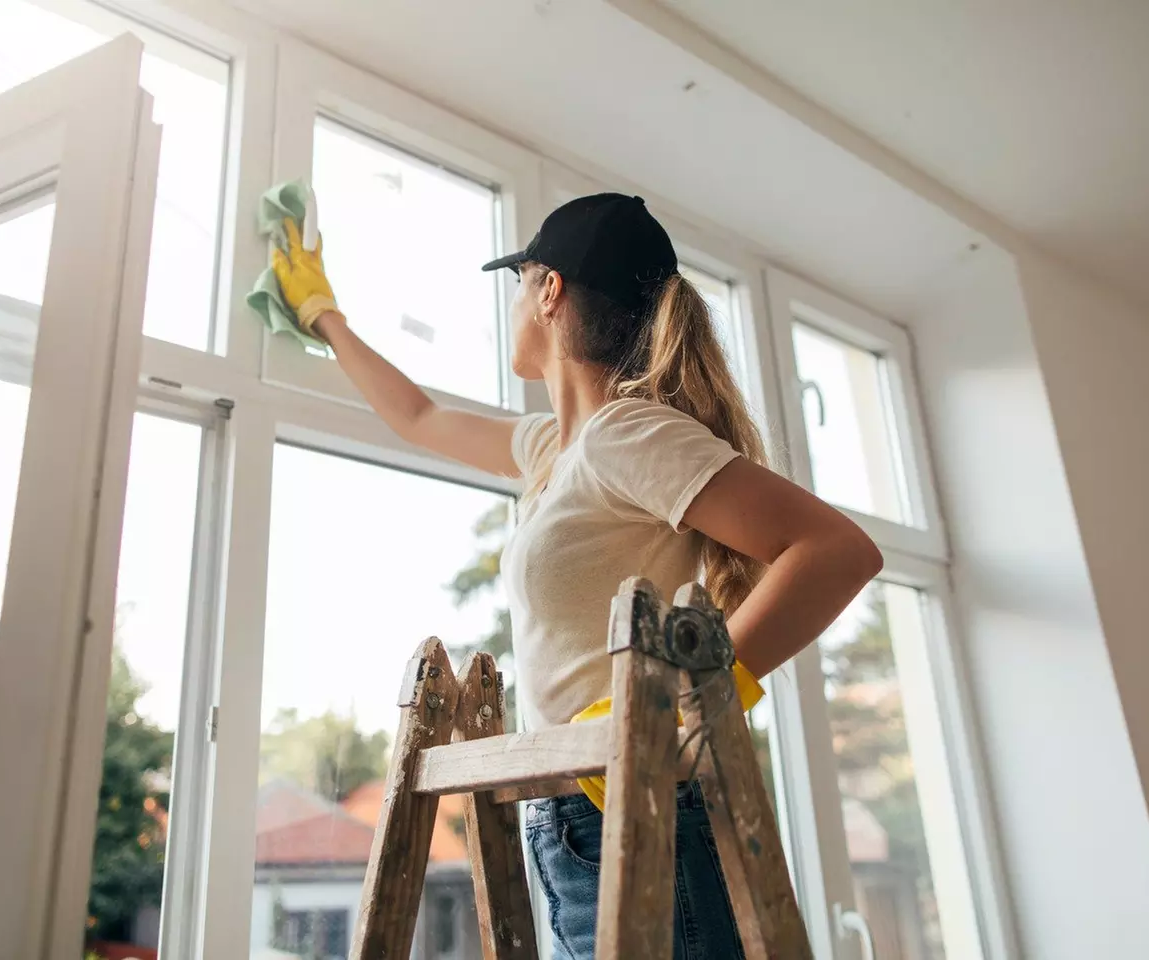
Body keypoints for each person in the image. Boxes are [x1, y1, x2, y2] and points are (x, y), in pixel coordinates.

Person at [271, 192, 882, 959]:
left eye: (520, 281)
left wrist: (682, 707)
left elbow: (837, 551)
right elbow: (419, 418)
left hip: (643, 813)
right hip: (571, 820)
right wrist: (325, 315)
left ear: (549, 289)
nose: (516, 303)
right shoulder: (552, 452)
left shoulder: (629, 433)